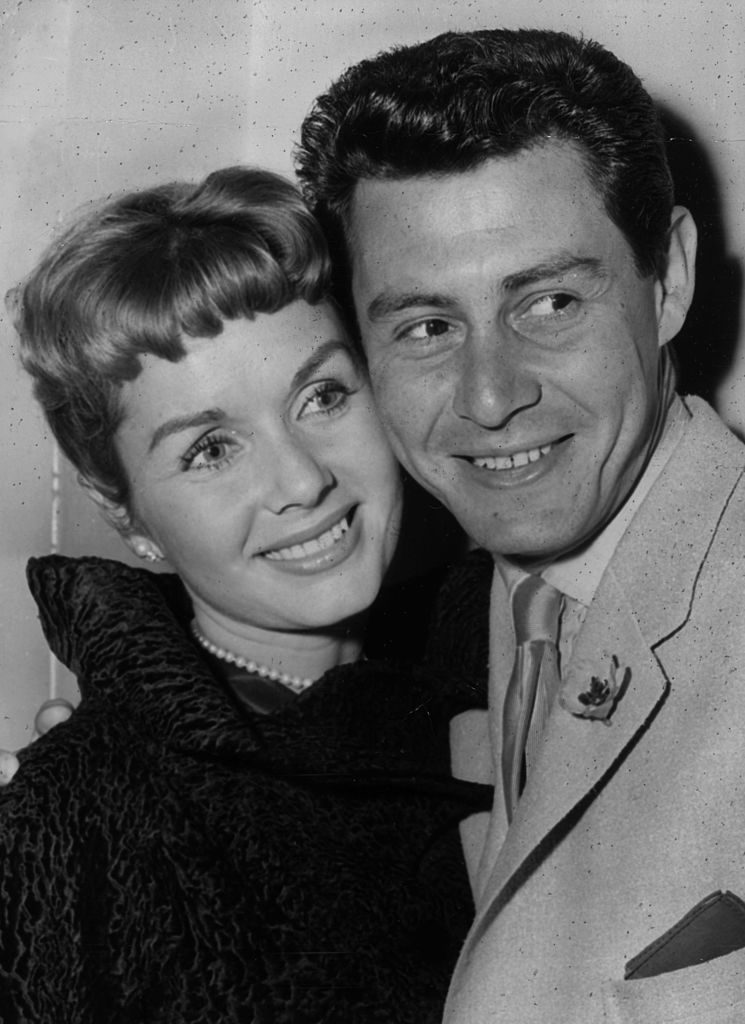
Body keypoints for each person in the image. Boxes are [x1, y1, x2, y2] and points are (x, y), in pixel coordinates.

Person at [295, 27, 745, 1024]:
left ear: (667, 278)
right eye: (424, 326)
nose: (489, 396)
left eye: (547, 301)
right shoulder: (424, 637)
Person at [0, 166, 489, 1023]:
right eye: (210, 450)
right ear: (125, 512)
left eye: (322, 395)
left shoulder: (505, 680)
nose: (301, 480)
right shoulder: (70, 817)